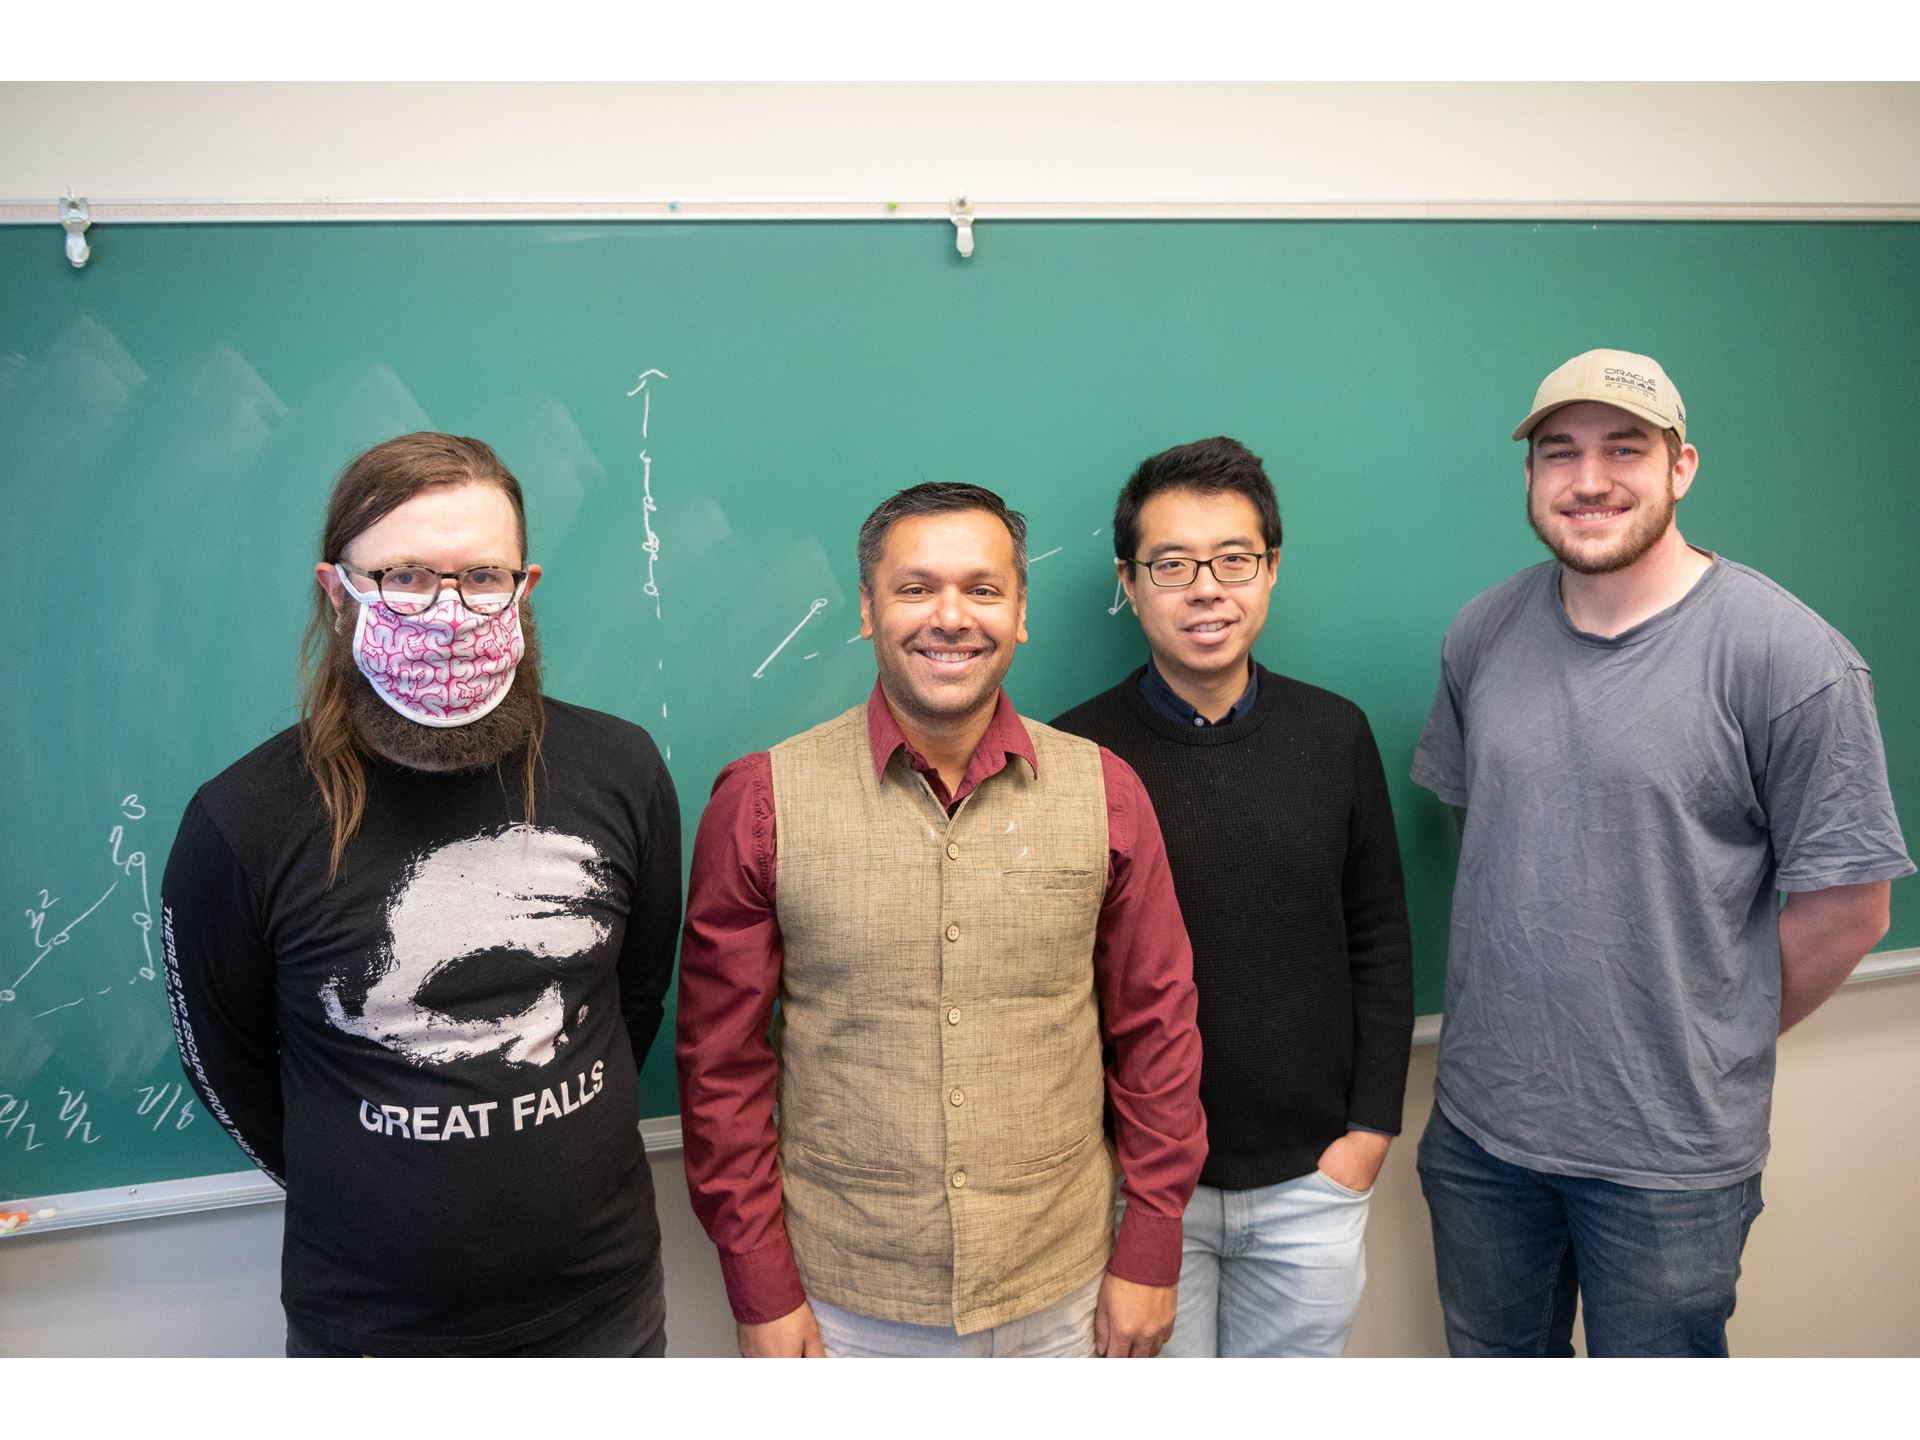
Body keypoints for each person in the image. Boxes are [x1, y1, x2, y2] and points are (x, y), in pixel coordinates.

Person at [1411, 349, 1912, 1357]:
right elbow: (1493, 832)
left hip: (1669, 1160)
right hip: (1480, 1138)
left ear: (1683, 466)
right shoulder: (1482, 634)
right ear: (1531, 477)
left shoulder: (1791, 660)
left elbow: (1853, 911)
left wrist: (1709, 1037)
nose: (1589, 480)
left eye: (1624, 450)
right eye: (1560, 454)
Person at [161, 432, 682, 1357]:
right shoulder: (241, 822)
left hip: (606, 1307)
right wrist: (360, 1175)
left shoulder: (623, 768)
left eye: (483, 577)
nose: (450, 611)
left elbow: (632, 996)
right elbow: (225, 1062)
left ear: (525, 589)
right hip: (374, 1333)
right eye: (405, 576)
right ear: (337, 592)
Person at [676, 481, 1206, 1358]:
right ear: (867, 609)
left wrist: (1150, 1250)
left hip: (1064, 1292)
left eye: (983, 589)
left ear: (1020, 612)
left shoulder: (1107, 793)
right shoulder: (760, 801)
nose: (951, 617)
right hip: (846, 1303)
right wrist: (759, 1283)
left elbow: (1157, 1031)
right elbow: (718, 1068)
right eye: (916, 587)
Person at [1054, 437, 1413, 1356]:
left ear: (1271, 571)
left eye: (1234, 559)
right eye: (1171, 564)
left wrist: (1367, 1134)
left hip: (1311, 1186)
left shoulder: (1335, 734)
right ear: (1129, 584)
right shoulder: (1072, 757)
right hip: (1139, 1196)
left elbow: (1378, 939)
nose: (1205, 586)